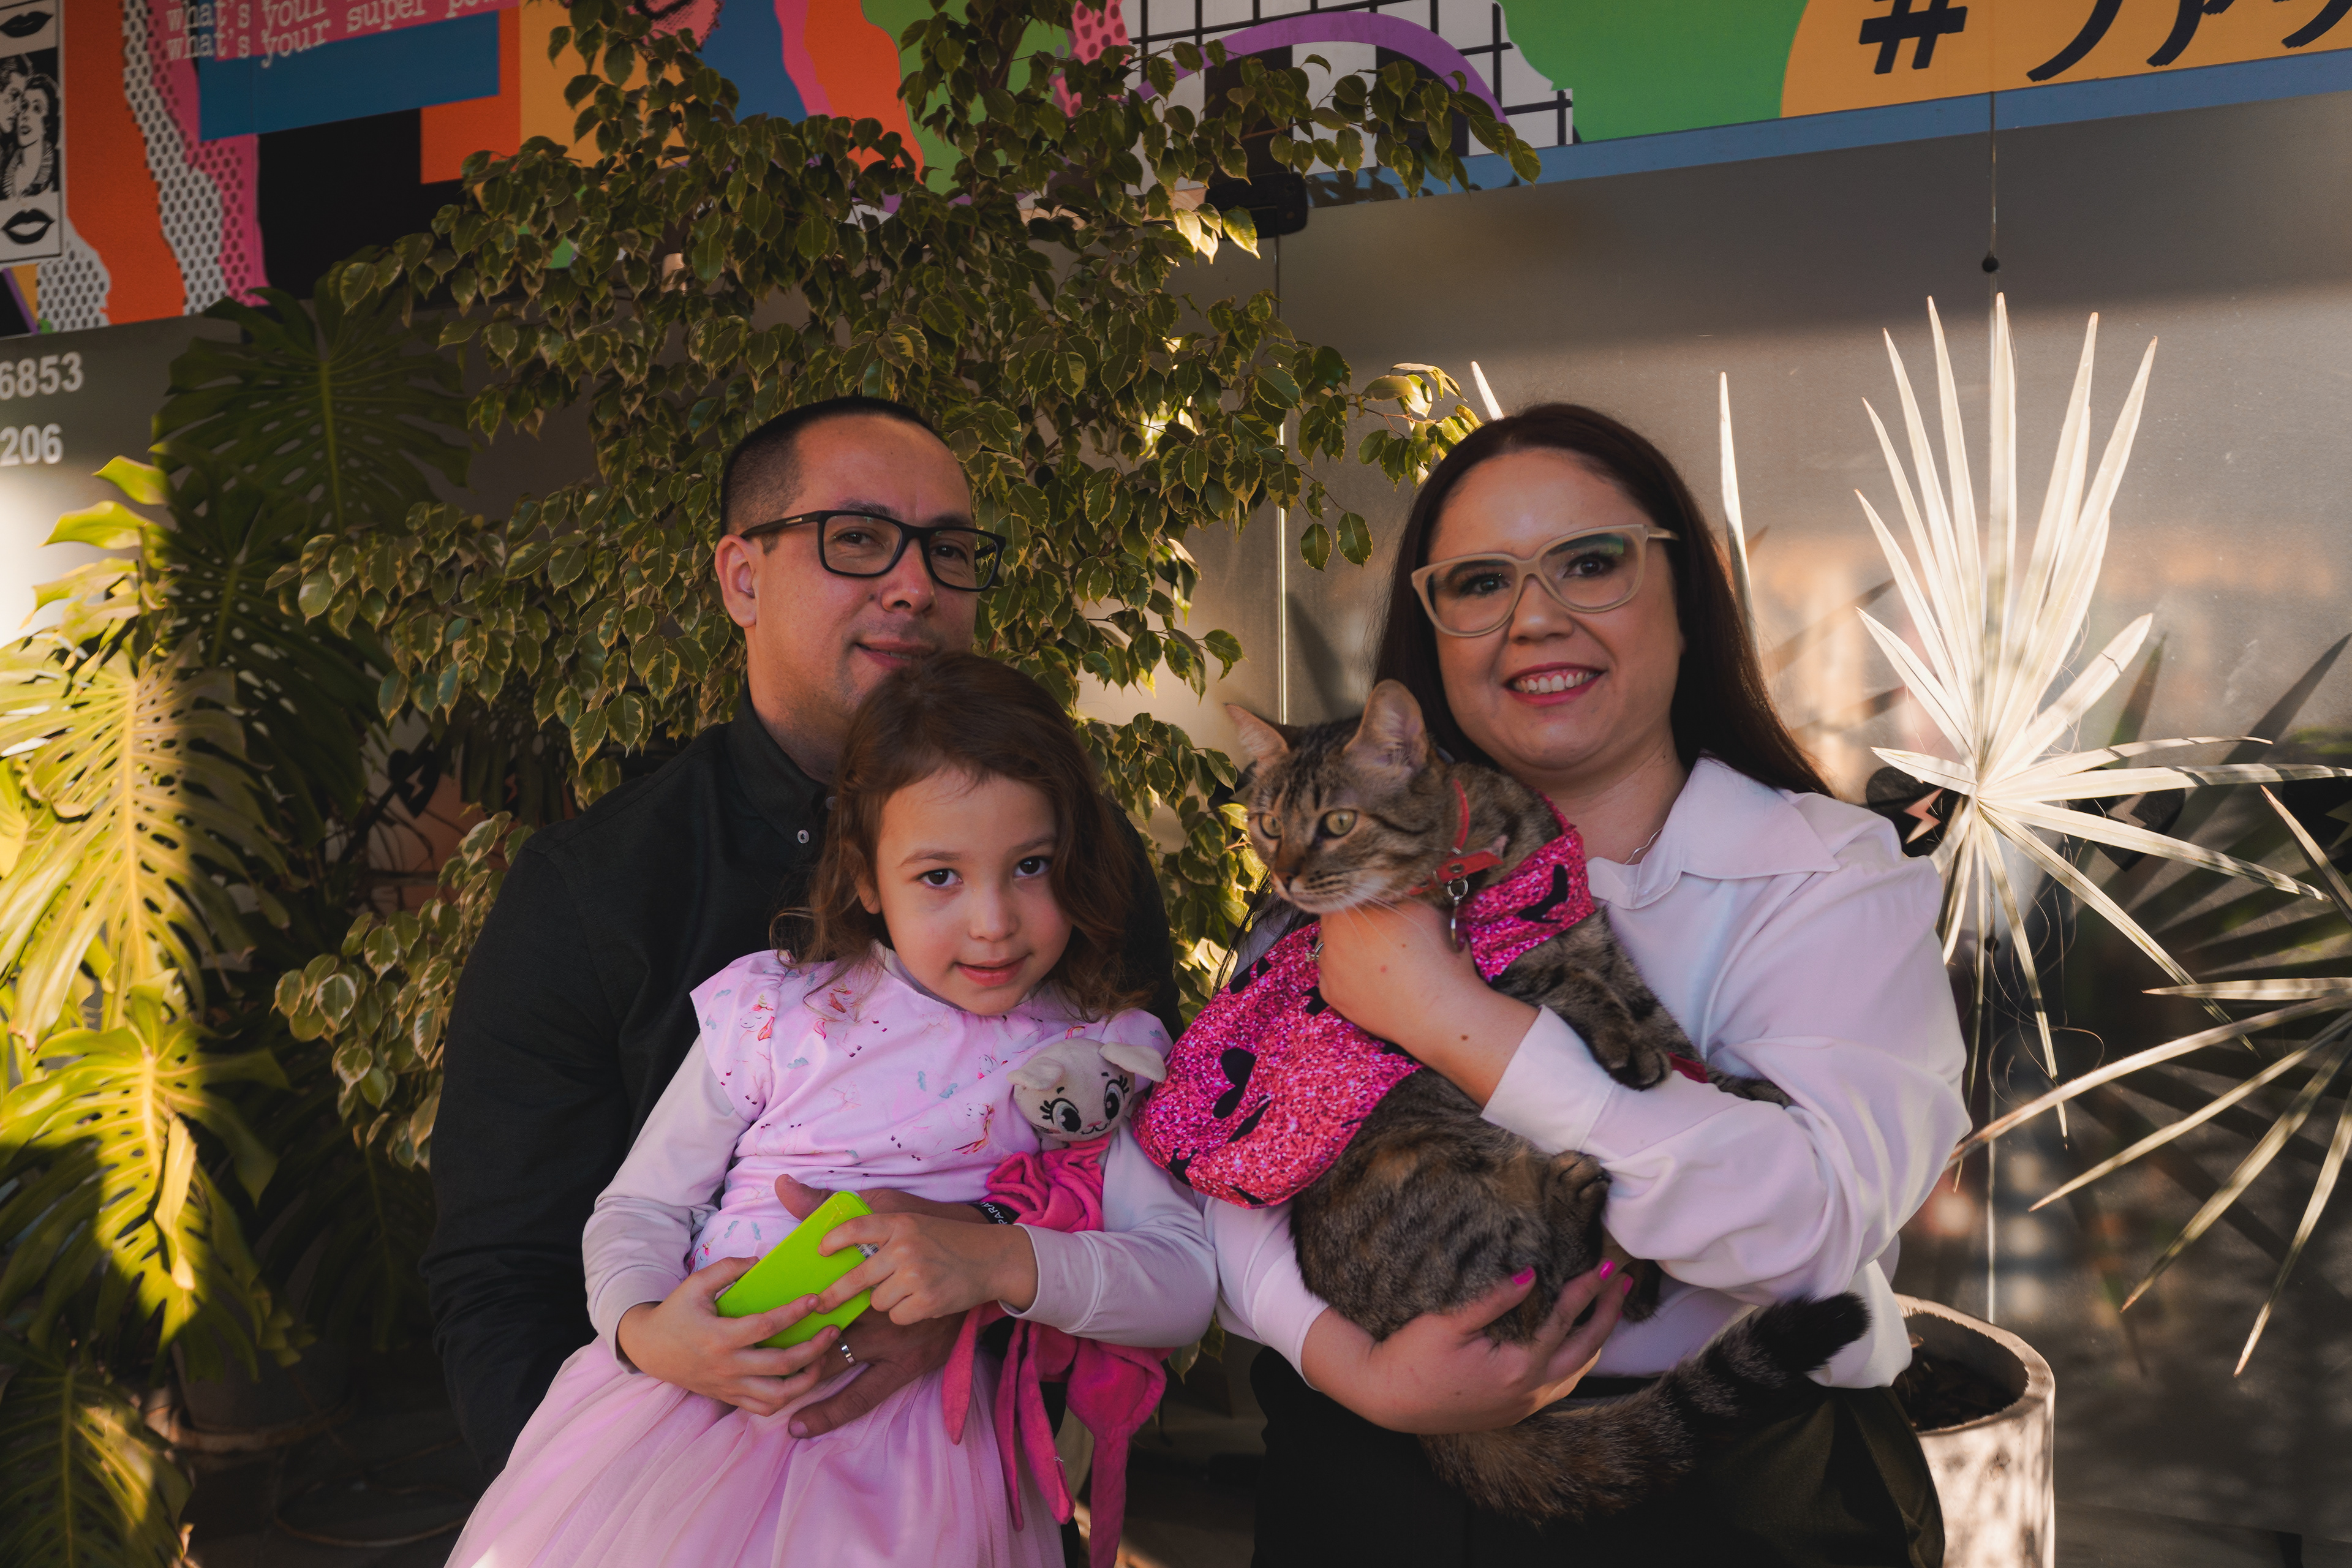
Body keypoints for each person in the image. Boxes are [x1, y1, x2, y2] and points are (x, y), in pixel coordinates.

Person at [1208, 404, 1967, 1566]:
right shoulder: (1341, 870)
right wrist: (1345, 1363)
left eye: (1591, 562)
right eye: (1480, 582)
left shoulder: (1828, 873)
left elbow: (1808, 1236)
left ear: (1689, 591)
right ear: (1432, 632)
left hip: (1736, 1495)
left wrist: (1453, 1021)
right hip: (1366, 1471)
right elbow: (1226, 1167)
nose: (1535, 617)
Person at [423, 396, 1184, 1476]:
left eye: (949, 550)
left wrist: (978, 1298)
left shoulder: (1079, 867)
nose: (915, 585)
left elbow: (1159, 1205)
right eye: (858, 538)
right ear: (742, 577)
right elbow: (504, 1283)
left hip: (964, 1485)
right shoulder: (592, 890)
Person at [445, 654, 1213, 1567]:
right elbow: (640, 1206)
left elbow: (1182, 1282)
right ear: (865, 876)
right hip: (688, 1418)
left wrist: (997, 1261)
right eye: (940, 876)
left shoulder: (1093, 1060)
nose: (993, 921)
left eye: (1031, 866)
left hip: (916, 1467)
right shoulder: (774, 1013)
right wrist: (644, 1331)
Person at [1, 74, 55, 200]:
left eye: (37, 109)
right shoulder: (4, 170)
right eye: (24, 106)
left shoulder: (57, 172)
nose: (25, 115)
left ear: (47, 123)